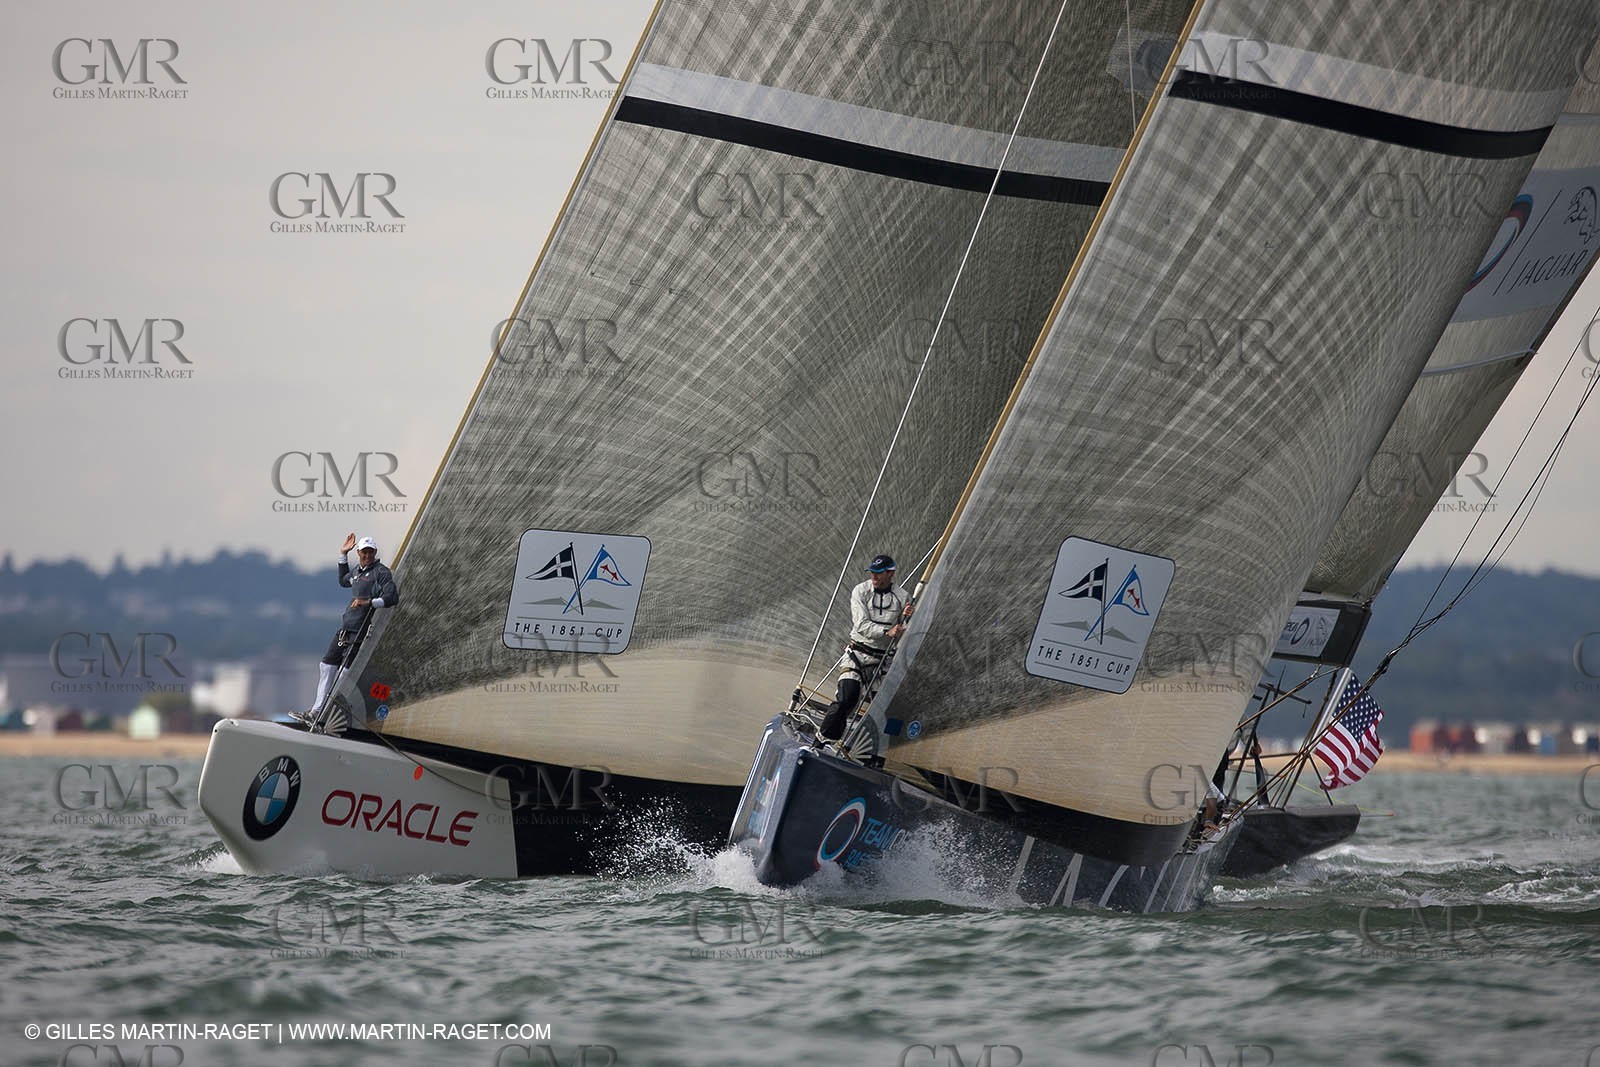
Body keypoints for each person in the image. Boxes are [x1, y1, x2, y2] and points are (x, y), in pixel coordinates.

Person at [302, 533, 399, 719]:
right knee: (326, 666)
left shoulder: (381, 572)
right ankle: (316, 710)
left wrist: (368, 602)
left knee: (344, 672)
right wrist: (343, 554)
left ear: (375, 552)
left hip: (361, 629)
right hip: (346, 628)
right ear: (359, 552)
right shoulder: (357, 571)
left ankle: (328, 712)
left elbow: (392, 598)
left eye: (371, 552)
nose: (367, 555)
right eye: (364, 552)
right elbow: (343, 580)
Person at [819, 554, 910, 741]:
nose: (874, 577)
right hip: (858, 654)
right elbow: (861, 625)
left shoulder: (903, 597)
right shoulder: (860, 591)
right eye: (872, 573)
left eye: (879, 574)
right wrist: (887, 631)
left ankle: (883, 755)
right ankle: (822, 740)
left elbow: (906, 631)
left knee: (893, 709)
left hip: (883, 660)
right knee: (847, 698)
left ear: (890, 573)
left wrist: (910, 616)